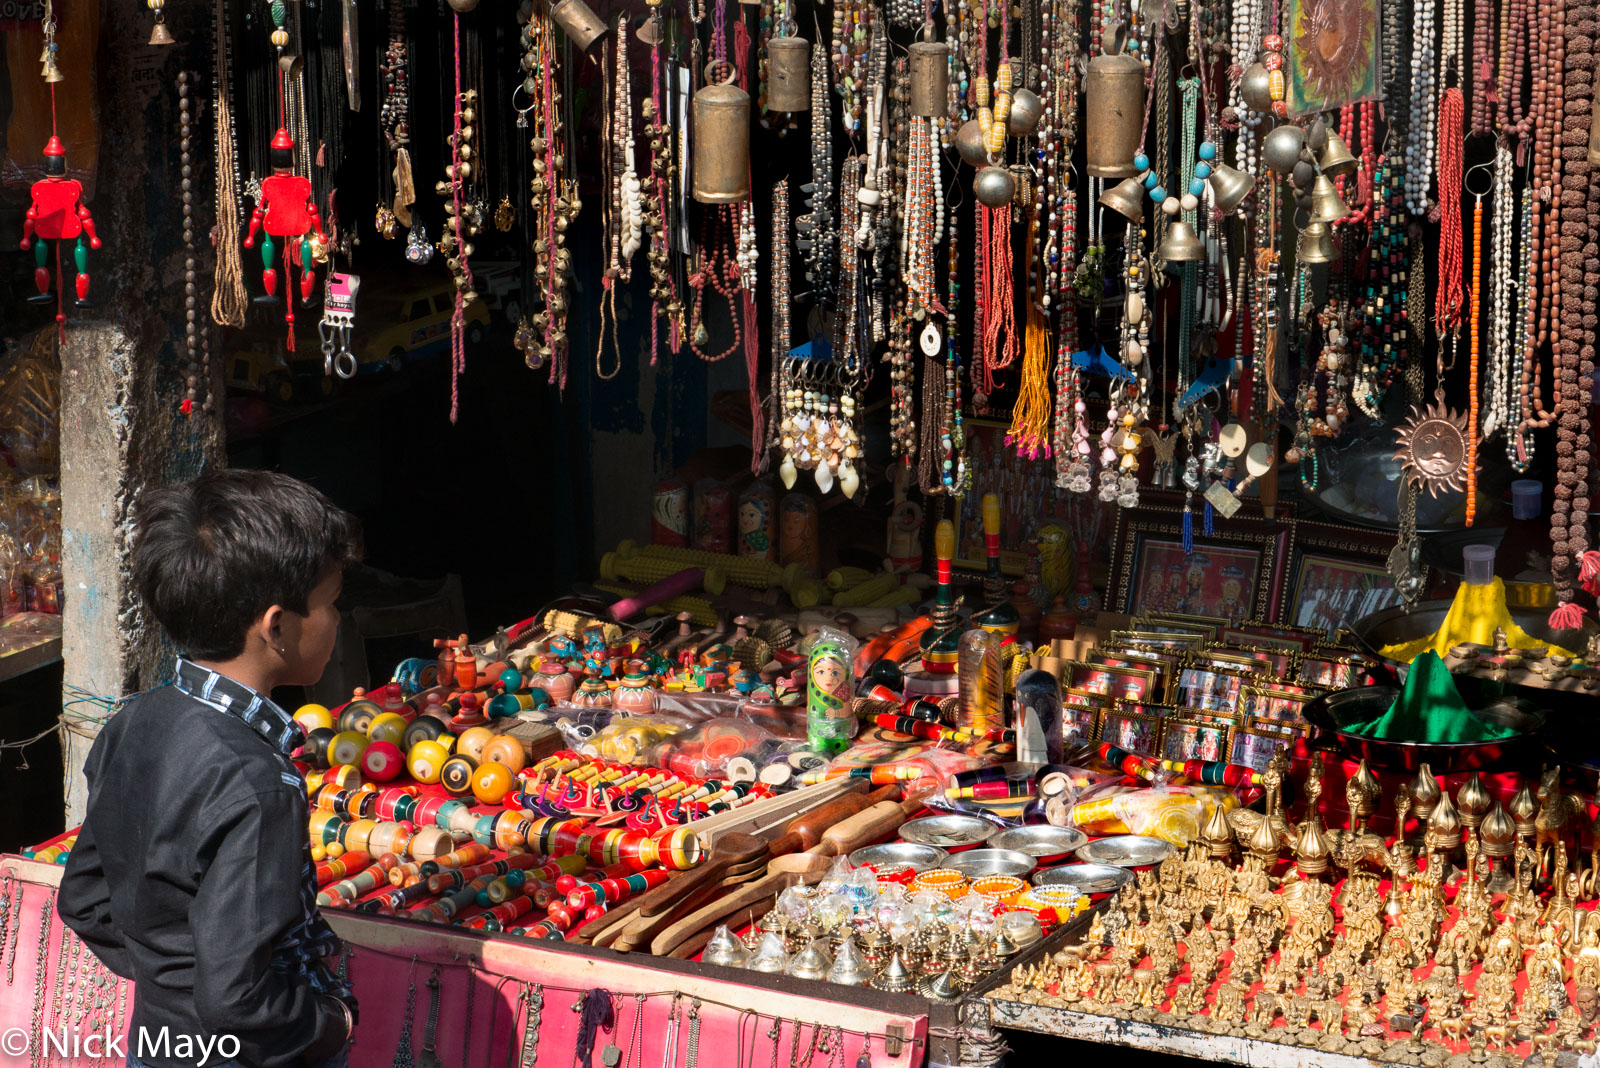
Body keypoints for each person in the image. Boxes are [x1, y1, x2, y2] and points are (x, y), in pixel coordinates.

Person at [58, 470, 362, 1068]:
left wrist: (172, 980)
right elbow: (237, 1002)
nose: (337, 620)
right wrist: (332, 1023)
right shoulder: (257, 784)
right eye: (332, 603)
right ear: (277, 626)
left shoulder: (132, 722)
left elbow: (86, 900)